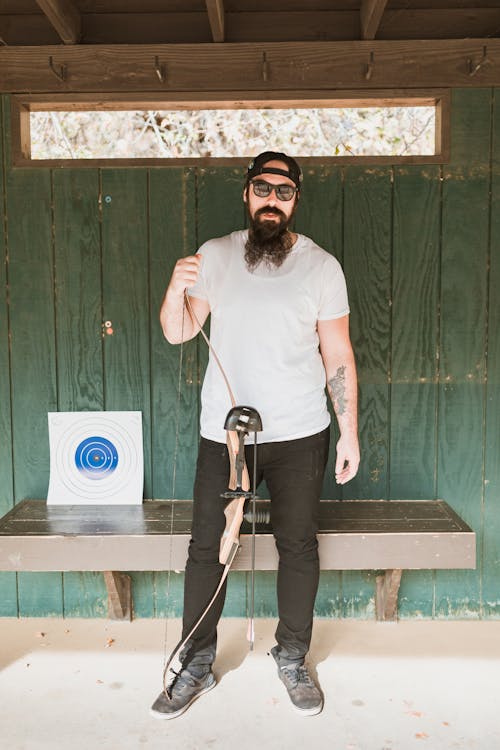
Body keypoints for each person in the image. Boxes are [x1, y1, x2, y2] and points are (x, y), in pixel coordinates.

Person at [152, 151, 359, 719]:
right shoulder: (214, 257)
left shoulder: (321, 267)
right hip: (226, 434)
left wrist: (349, 433)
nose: (273, 199)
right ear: (247, 193)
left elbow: (337, 353)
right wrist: (176, 288)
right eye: (263, 188)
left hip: (300, 431)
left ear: (295, 200)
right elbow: (178, 332)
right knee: (205, 550)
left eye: (284, 191)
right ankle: (194, 664)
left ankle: (293, 656)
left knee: (297, 545)